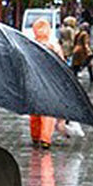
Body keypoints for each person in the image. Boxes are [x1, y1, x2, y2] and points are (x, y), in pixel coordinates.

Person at [28, 19, 62, 148]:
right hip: (50, 82)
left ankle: (35, 135)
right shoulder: (53, 45)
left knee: (35, 111)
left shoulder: (31, 45)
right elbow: (61, 63)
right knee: (48, 112)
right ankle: (45, 138)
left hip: (34, 81)